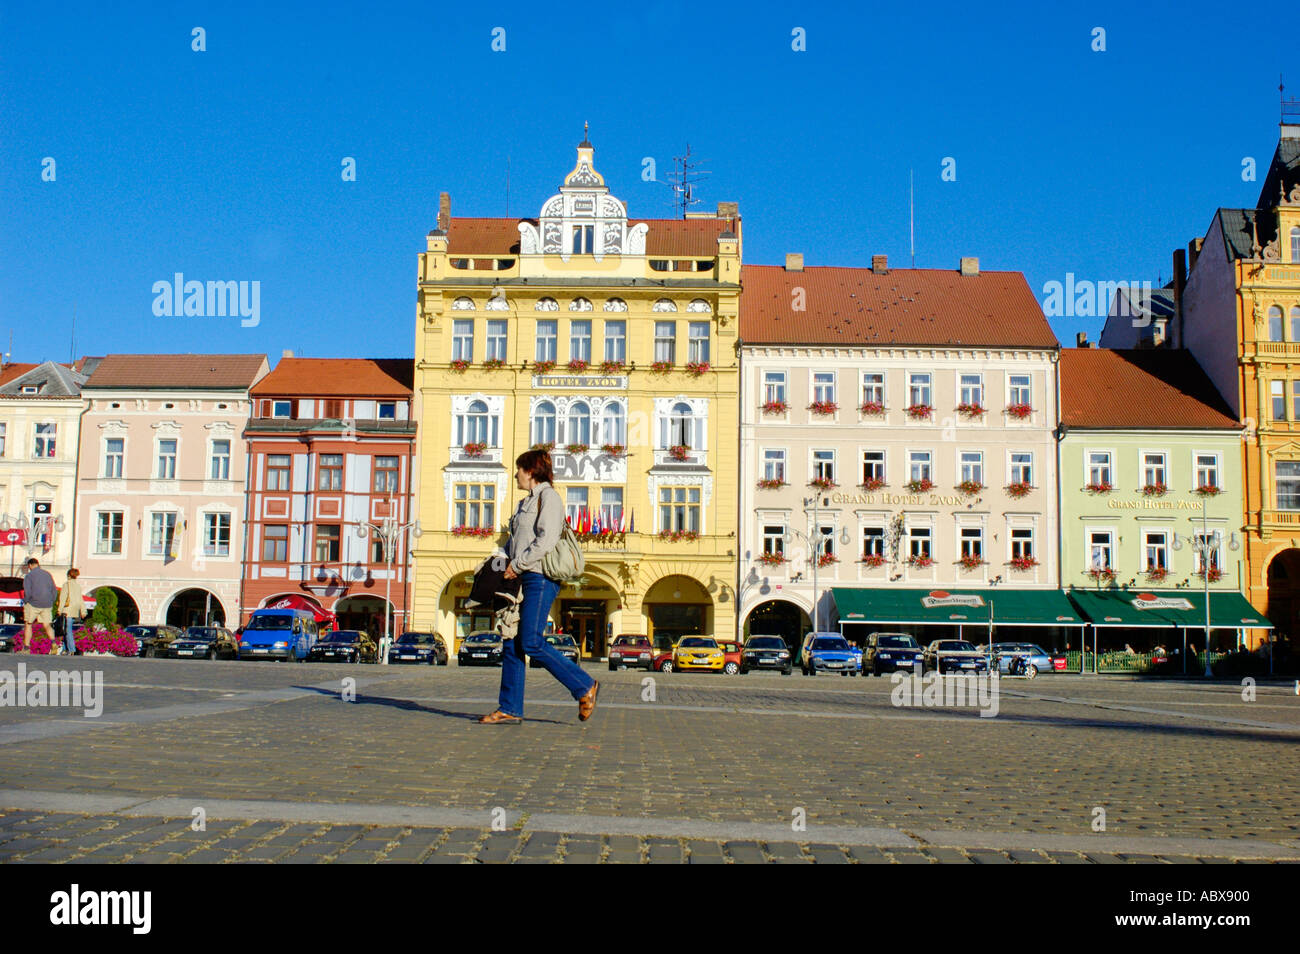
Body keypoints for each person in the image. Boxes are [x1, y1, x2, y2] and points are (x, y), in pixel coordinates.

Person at [479, 449, 598, 724]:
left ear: (531, 471)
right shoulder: (524, 503)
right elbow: (515, 542)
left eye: (519, 469)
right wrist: (500, 561)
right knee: (512, 643)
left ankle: (584, 685)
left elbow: (546, 541)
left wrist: (517, 564)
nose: (516, 474)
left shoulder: (549, 498)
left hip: (540, 577)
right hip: (519, 576)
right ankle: (510, 707)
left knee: (531, 641)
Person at [19, 558, 56, 654]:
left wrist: (25, 601)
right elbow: (54, 590)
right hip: (47, 603)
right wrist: (51, 600)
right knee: (47, 624)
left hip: (33, 603)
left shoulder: (29, 576)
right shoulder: (47, 574)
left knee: (28, 624)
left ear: (30, 565)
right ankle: (53, 642)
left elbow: (28, 591)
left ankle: (26, 648)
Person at [56, 568, 85, 655]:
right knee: (65, 630)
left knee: (67, 631)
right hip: (75, 611)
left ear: (68, 575)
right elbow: (81, 600)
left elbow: (63, 598)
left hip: (67, 610)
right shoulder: (78, 586)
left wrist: (59, 610)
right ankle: (65, 649)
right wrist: (83, 611)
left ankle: (71, 649)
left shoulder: (66, 585)